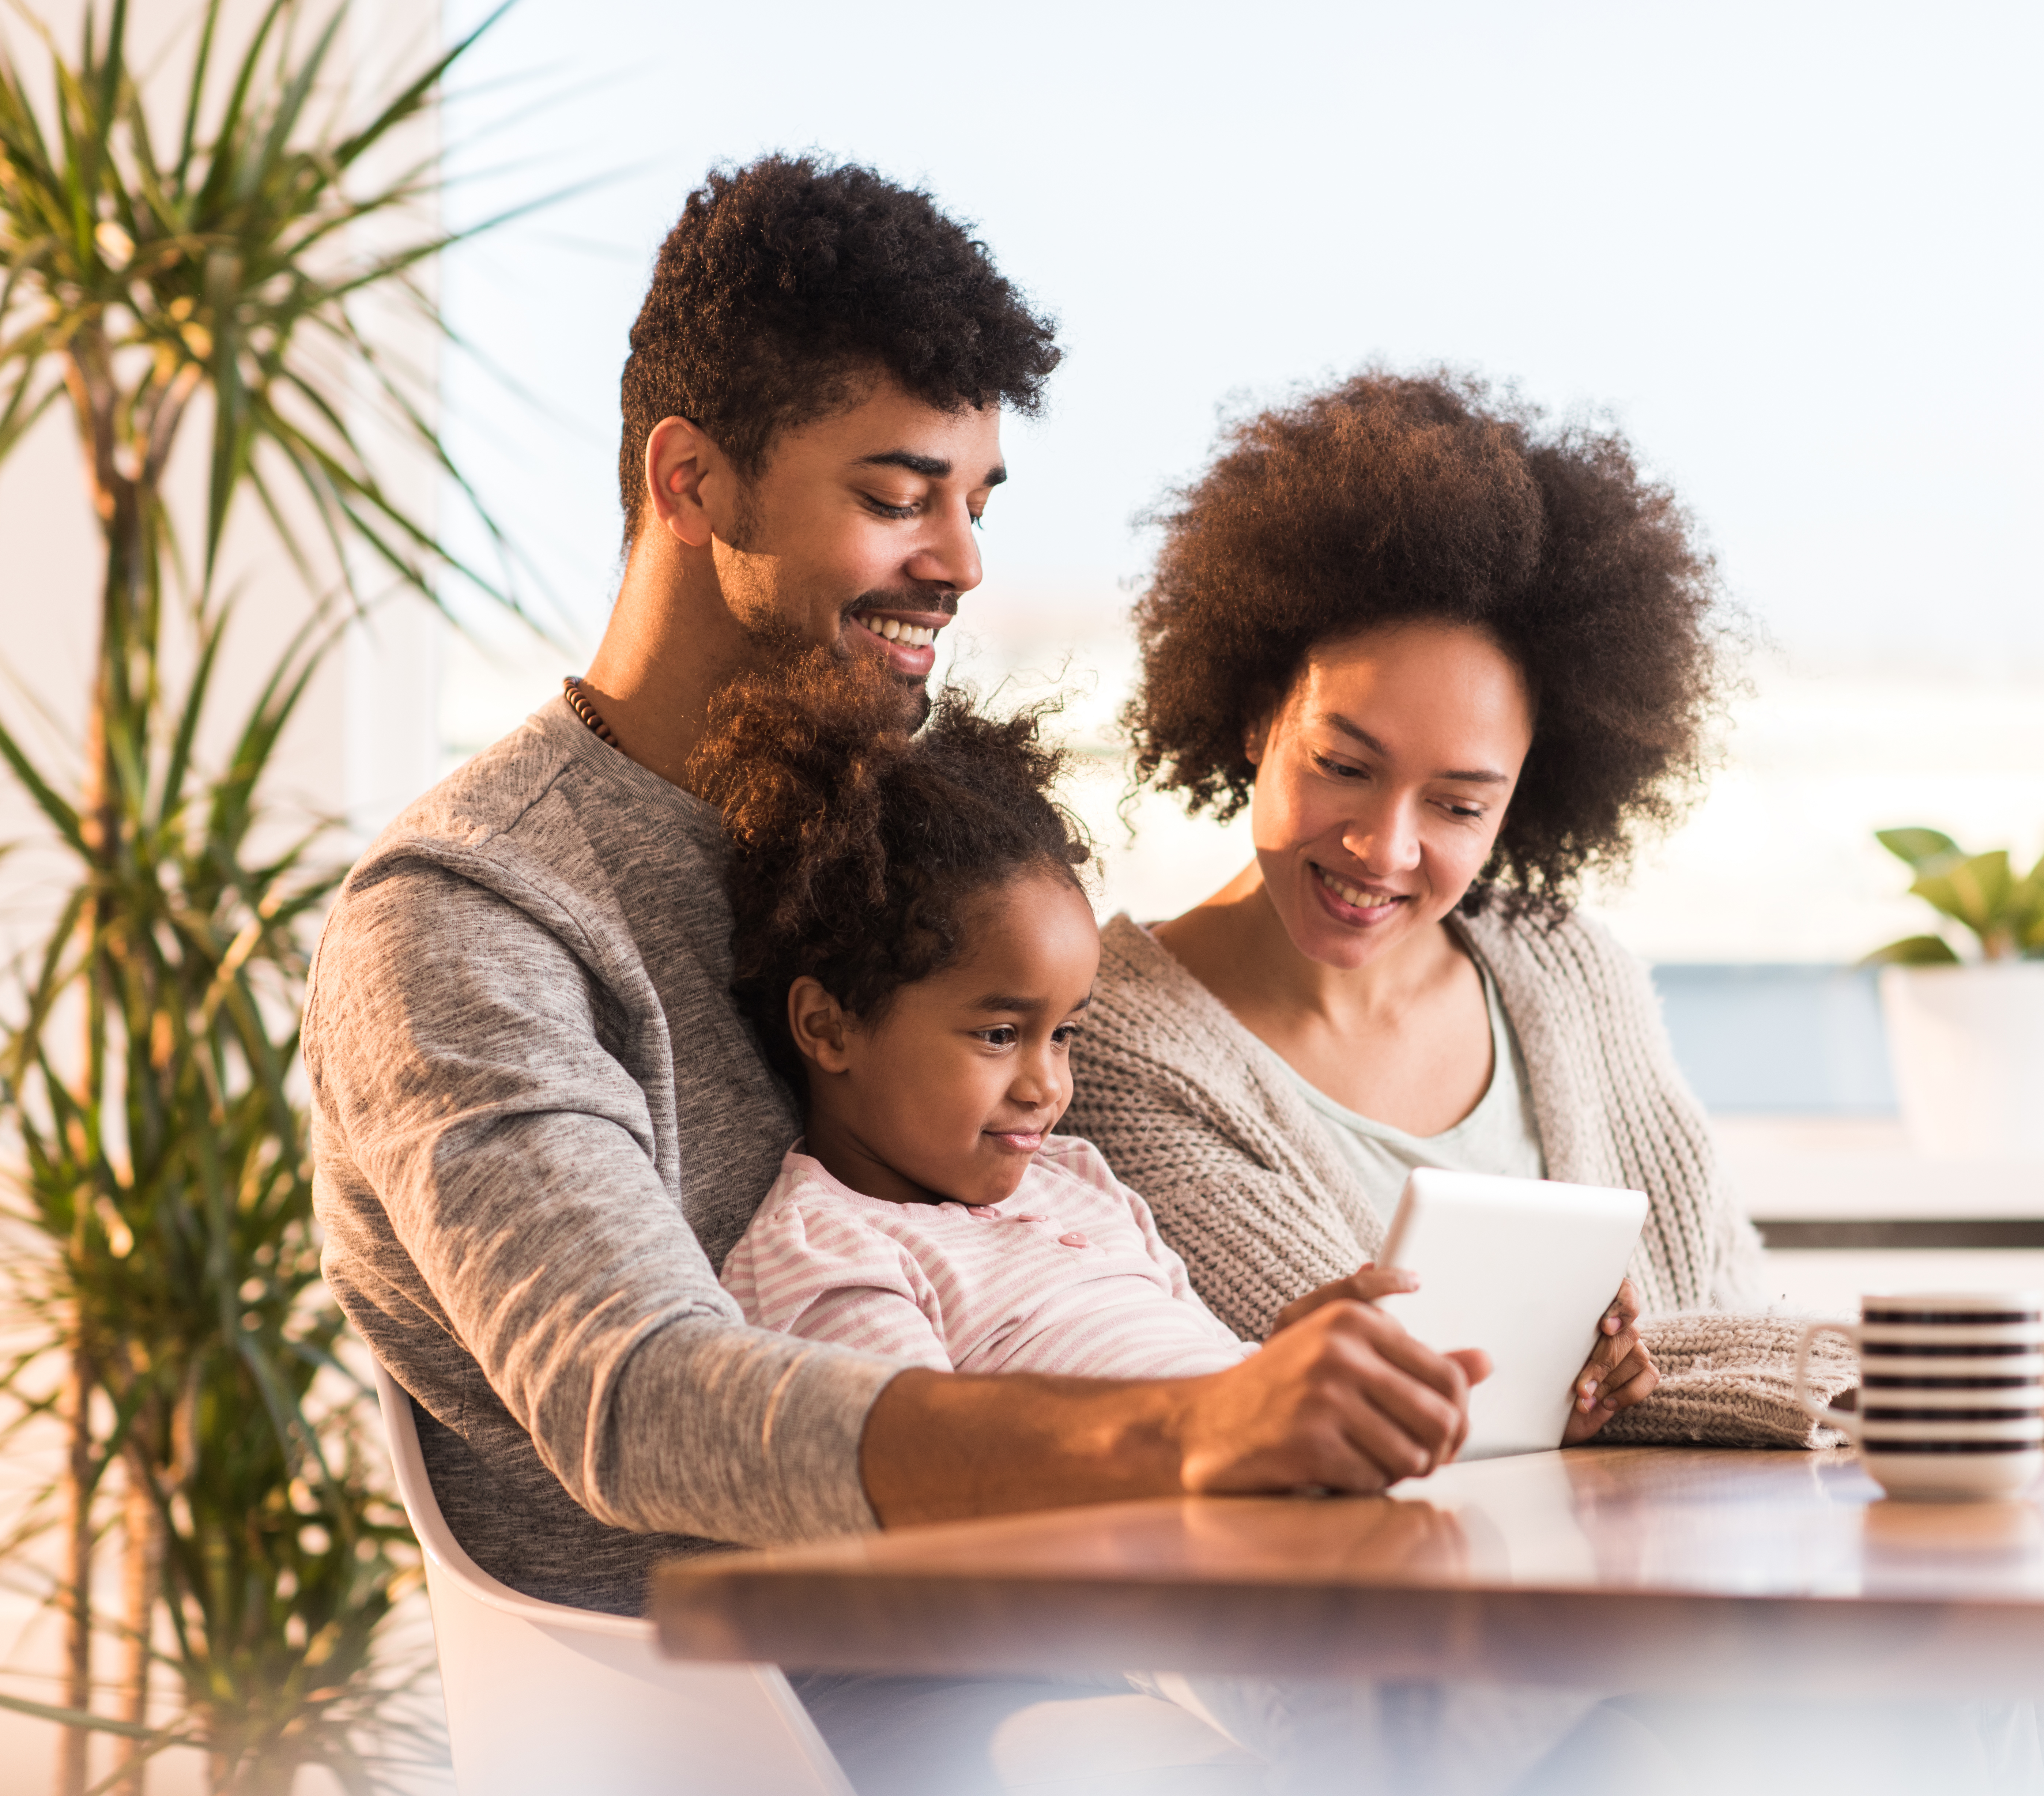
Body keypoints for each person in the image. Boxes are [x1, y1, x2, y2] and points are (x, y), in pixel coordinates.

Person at [303, 159, 1493, 1790]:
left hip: (1057, 1662)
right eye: (897, 493)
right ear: (693, 481)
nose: (961, 561)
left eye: (979, 501)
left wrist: (1277, 1370)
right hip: (741, 1727)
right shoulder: (467, 916)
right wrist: (1193, 1436)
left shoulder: (880, 846)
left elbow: (1030, 1261)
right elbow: (639, 1398)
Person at [696, 650, 1657, 1793]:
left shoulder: (1077, 1182)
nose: (1049, 1086)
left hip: (1300, 1532)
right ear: (829, 1026)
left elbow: (1204, 1370)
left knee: (1600, 1656)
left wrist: (1308, 1360)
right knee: (1409, 1692)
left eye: (1064, 1035)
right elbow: (910, 1504)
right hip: (1162, 1592)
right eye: (1001, 1035)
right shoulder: (828, 1245)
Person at [1064, 369, 2044, 1434]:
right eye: (1343, 764)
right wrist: (1878, 1368)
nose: (1385, 846)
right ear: (1255, 715)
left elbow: (1718, 1302)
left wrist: (1839, 1368)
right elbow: (1414, 1389)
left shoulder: (1569, 972)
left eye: (1459, 804)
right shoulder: (1111, 1045)